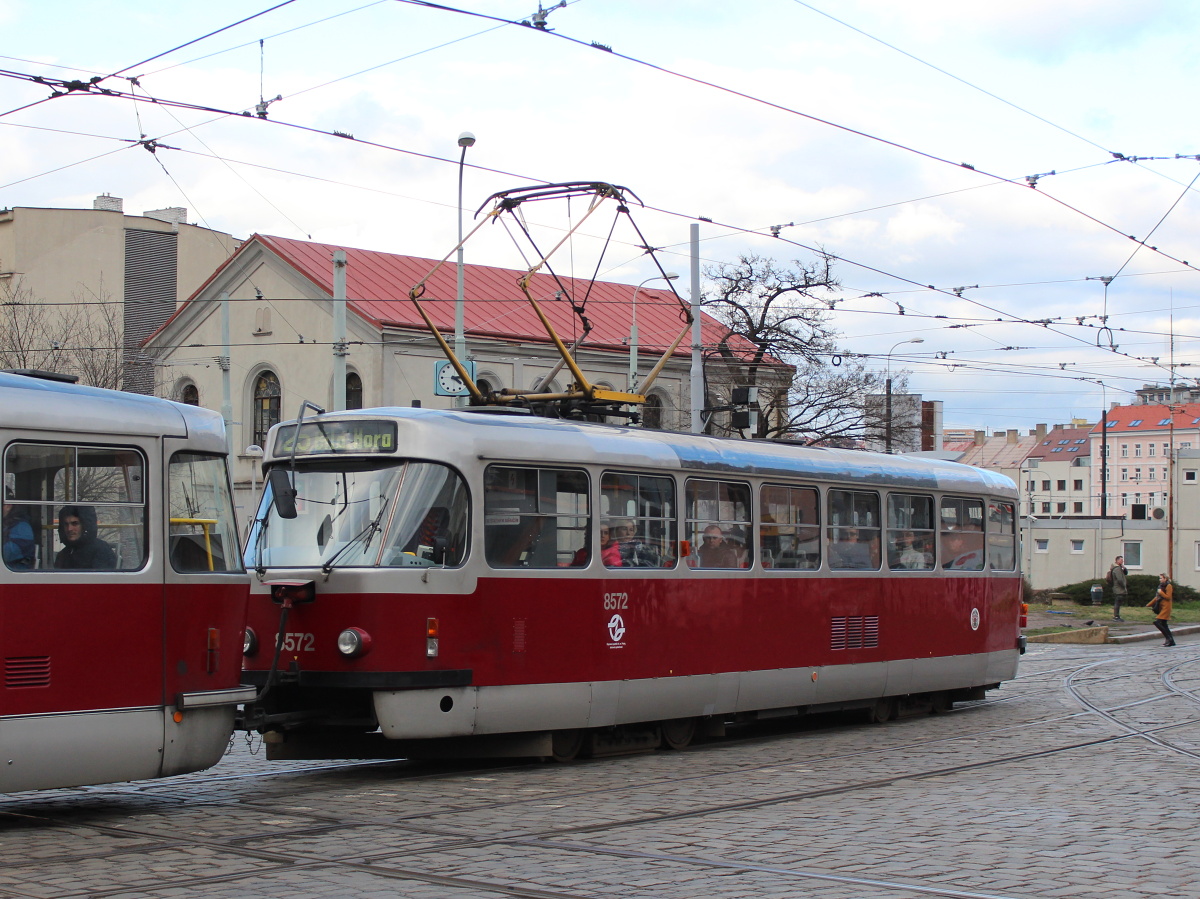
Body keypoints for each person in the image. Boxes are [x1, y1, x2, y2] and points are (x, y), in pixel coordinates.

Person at [54, 505, 116, 570]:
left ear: (85, 525)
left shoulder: (101, 550)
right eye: (66, 524)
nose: (69, 529)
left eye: (75, 524)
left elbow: (102, 578)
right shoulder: (63, 554)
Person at [3, 488, 36, 570]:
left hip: (15, 575)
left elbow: (7, 553)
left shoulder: (22, 527)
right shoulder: (3, 523)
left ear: (8, 506)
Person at [1149, 573, 1175, 647]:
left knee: (1157, 622)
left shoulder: (1168, 586)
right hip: (1162, 607)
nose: (1160, 580)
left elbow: (1168, 597)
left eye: (1161, 578)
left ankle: (1168, 638)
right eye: (1159, 578)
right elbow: (1157, 597)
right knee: (1164, 624)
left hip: (1166, 608)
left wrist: (1161, 592)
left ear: (1165, 579)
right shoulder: (1160, 586)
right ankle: (1171, 641)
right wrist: (1149, 604)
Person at [1107, 555, 1128, 621]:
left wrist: (1124, 568)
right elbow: (1120, 579)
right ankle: (1116, 616)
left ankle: (1117, 616)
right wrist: (1124, 585)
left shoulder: (1119, 568)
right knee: (1118, 602)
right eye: (1121, 560)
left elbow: (1126, 573)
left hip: (1117, 587)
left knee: (1118, 602)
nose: (1122, 561)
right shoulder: (1117, 569)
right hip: (1118, 588)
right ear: (1117, 560)